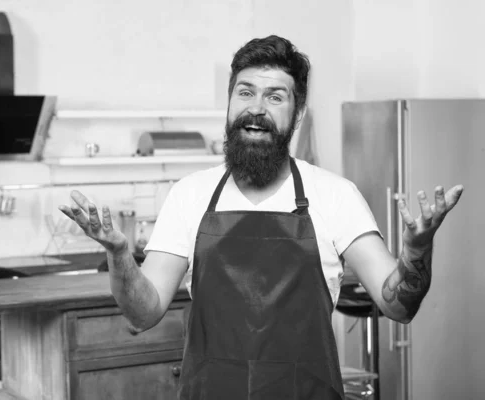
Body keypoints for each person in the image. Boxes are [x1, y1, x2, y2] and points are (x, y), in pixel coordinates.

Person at [59, 35, 463, 400]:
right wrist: (119, 255)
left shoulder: (335, 196)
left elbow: (398, 307)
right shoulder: (190, 195)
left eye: (275, 97)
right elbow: (143, 313)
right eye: (246, 92)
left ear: (297, 112)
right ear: (230, 102)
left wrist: (416, 250)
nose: (256, 108)